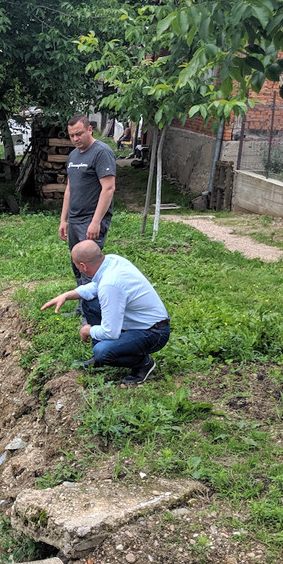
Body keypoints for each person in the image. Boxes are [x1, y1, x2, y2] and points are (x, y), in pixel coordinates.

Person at [41, 241, 170, 384]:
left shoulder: (110, 285)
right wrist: (67, 295)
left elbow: (111, 332)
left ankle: (143, 364)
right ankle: (100, 359)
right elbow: (96, 286)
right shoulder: (112, 261)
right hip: (140, 322)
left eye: (75, 264)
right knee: (89, 303)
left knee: (102, 351)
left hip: (153, 333)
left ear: (83, 266)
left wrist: (88, 330)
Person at [59, 114, 116, 284]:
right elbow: (69, 188)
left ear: (90, 129)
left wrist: (96, 222)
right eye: (71, 135)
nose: (75, 139)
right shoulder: (73, 156)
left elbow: (108, 188)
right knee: (77, 263)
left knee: (89, 267)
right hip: (75, 219)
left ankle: (96, 300)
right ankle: (83, 299)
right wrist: (63, 220)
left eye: (79, 134)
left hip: (91, 219)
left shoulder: (101, 152)